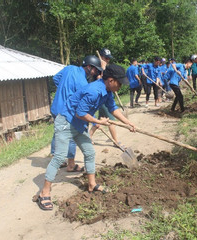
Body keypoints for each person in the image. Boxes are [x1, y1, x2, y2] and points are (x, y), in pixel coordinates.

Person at [36, 64, 136, 211]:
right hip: (66, 122)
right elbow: (80, 113)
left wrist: (128, 123)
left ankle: (92, 184)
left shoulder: (107, 92)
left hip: (79, 125)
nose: (121, 86)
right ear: (110, 80)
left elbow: (113, 109)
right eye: (119, 82)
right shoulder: (94, 91)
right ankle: (44, 192)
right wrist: (98, 121)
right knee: (59, 156)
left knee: (90, 152)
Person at [50, 55, 103, 172]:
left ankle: (55, 157)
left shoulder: (69, 68)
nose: (94, 73)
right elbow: (83, 107)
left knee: (58, 131)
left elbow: (55, 79)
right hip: (67, 111)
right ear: (88, 67)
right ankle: (71, 164)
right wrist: (94, 120)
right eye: (94, 70)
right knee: (72, 136)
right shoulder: (83, 83)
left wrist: (64, 88)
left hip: (55, 107)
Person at [90, 48, 121, 146]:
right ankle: (116, 141)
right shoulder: (96, 68)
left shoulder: (106, 68)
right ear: (101, 57)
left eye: (108, 58)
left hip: (106, 97)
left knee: (99, 121)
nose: (107, 60)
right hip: (100, 97)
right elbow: (100, 80)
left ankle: (88, 137)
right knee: (111, 119)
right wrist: (103, 69)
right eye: (106, 58)